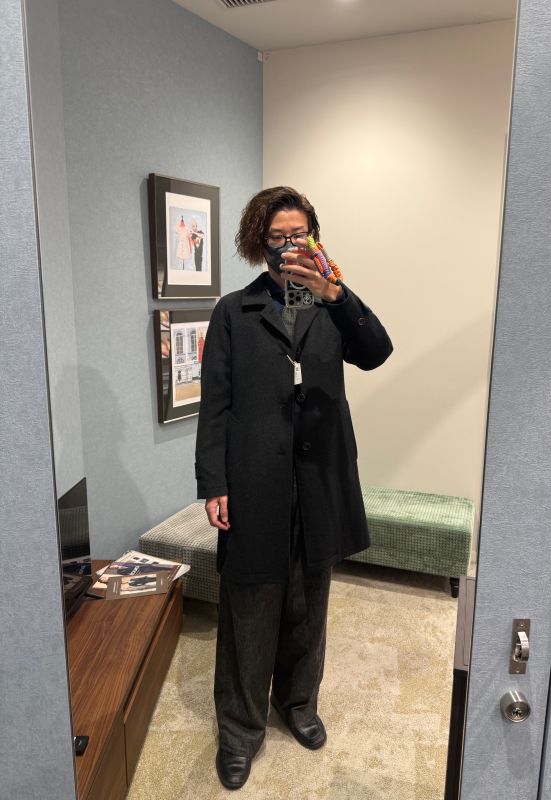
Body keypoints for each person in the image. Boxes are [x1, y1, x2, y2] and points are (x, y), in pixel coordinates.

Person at [194, 186, 393, 790]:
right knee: (250, 606)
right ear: (260, 242)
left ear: (314, 238)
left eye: (298, 234)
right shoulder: (235, 311)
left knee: (310, 601)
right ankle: (240, 730)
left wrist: (336, 293)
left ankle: (298, 703)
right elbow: (215, 405)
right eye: (278, 236)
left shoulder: (330, 303)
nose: (288, 245)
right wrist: (214, 482)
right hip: (255, 478)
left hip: (320, 478)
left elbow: (377, 352)